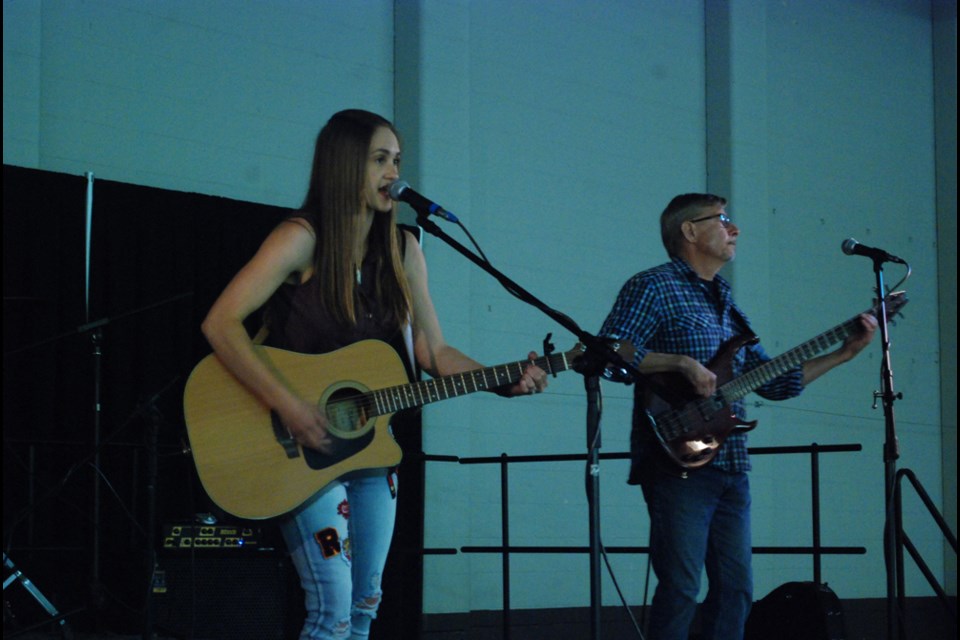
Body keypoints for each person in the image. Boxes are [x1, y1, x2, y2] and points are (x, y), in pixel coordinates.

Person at [201, 109, 548, 640]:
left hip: (370, 453)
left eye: (398, 161)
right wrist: (291, 406)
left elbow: (433, 350)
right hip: (300, 453)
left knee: (365, 605)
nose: (395, 174)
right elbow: (221, 323)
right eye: (380, 160)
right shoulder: (301, 238)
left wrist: (501, 378)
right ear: (344, 167)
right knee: (332, 607)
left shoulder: (404, 249)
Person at [598, 193, 876, 640]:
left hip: (732, 465)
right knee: (682, 587)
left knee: (736, 590)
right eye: (722, 219)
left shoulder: (729, 303)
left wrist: (845, 353)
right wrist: (679, 363)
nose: (735, 229)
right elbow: (607, 354)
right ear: (689, 231)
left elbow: (777, 382)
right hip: (676, 461)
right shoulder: (653, 286)